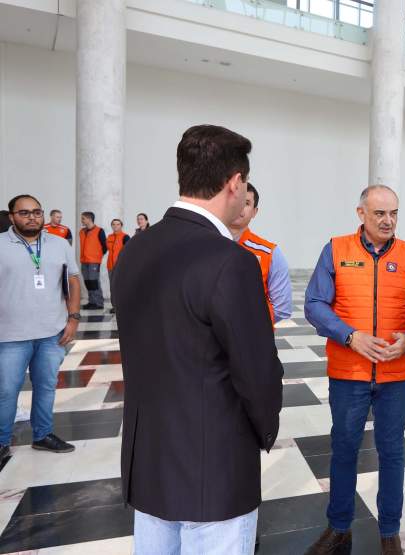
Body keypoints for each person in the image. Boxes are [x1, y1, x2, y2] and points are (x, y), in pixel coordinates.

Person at [112, 125, 283, 555]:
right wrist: (266, 430)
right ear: (234, 183)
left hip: (148, 462)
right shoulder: (231, 261)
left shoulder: (135, 249)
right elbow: (256, 372)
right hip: (214, 470)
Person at [304, 185, 405, 555]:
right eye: (380, 213)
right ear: (361, 214)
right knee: (344, 448)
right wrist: (350, 337)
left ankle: (390, 531)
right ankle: (339, 528)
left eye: (394, 213)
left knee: (392, 452)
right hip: (348, 372)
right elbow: (314, 304)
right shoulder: (336, 249)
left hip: (396, 376)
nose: (388, 220)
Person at [0, 195, 81, 460]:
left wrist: (73, 318)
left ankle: (42, 435)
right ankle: (2, 442)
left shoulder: (59, 244)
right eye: (24, 213)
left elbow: (73, 279)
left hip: (51, 333)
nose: (31, 217)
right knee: (6, 391)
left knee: (46, 387)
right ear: (12, 216)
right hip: (9, 335)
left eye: (36, 212)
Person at [228, 183, 293, 323]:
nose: (239, 207)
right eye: (235, 201)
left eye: (246, 203)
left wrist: (247, 325)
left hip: (251, 339)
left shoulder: (270, 253)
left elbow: (282, 308)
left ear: (254, 212)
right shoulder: (204, 244)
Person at [78, 211, 107, 310]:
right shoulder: (81, 232)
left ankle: (98, 303)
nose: (82, 220)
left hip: (94, 261)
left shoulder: (99, 231)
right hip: (84, 261)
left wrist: (97, 255)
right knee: (88, 282)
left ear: (89, 219)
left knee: (94, 281)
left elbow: (105, 246)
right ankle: (91, 302)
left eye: (83, 218)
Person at [105, 219, 130, 314]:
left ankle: (123, 305)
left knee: (121, 286)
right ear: (111, 226)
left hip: (120, 266)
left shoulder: (125, 237)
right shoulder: (109, 237)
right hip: (110, 266)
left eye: (118, 224)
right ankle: (114, 306)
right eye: (113, 224)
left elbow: (128, 252)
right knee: (112, 287)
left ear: (121, 226)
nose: (115, 226)